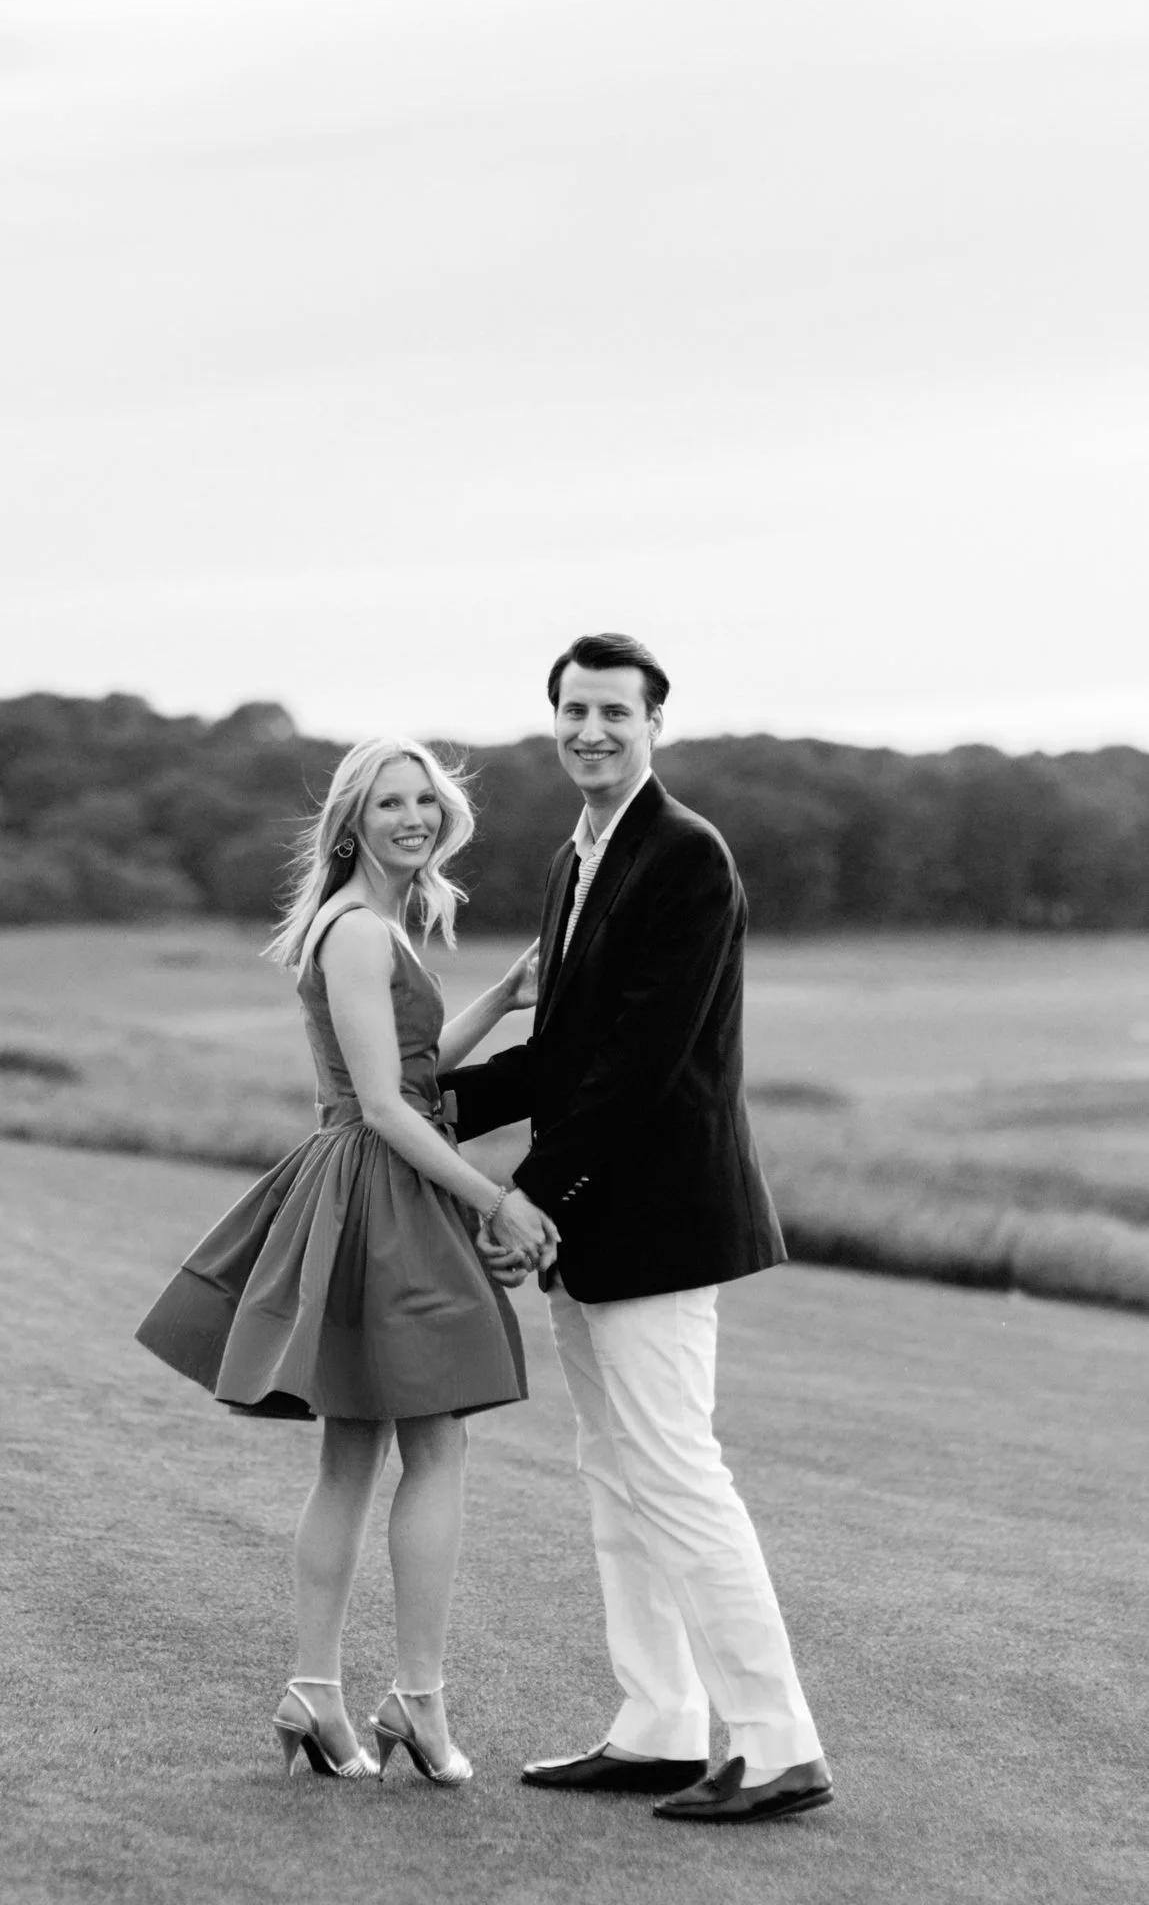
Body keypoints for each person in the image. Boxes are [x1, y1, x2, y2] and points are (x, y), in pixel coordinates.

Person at [441, 632, 834, 1824]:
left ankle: (775, 1744)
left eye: (613, 710)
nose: (590, 730)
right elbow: (564, 1054)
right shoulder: (578, 855)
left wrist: (531, 1198)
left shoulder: (685, 857)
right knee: (614, 1468)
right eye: (572, 710)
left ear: (655, 721)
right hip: (598, 1213)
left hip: (661, 1217)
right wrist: (431, 1108)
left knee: (674, 1468)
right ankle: (658, 1724)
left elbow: (640, 1064)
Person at [135, 736, 556, 1787]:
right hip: (382, 1194)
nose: (412, 815)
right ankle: (415, 1700)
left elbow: (408, 1068)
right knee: (434, 1450)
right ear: (352, 820)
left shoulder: (366, 926)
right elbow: (384, 1106)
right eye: (388, 801)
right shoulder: (361, 931)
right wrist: (496, 1196)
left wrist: (502, 996)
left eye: (425, 798)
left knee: (353, 1456)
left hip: (365, 1188)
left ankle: (316, 1691)